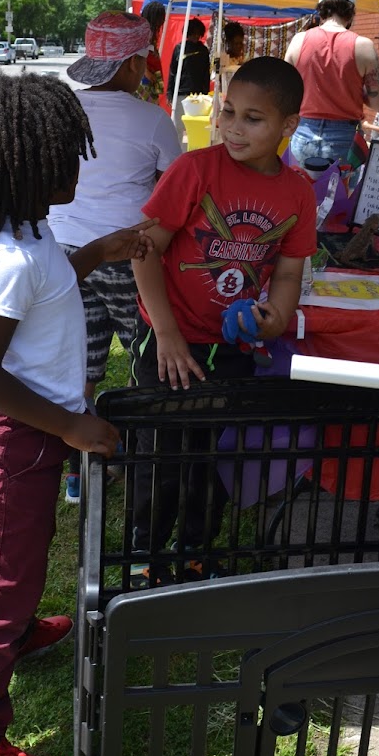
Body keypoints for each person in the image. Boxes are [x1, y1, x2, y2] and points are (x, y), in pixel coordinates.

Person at [0, 72, 154, 756]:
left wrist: (99, 252)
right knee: (1, 579)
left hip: (30, 432)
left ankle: (24, 630)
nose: (77, 166)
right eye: (63, 155)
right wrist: (71, 425)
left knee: (22, 562)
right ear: (21, 164)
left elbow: (51, 280)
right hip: (15, 436)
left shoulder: (33, 236)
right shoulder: (11, 259)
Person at [130, 55, 317, 585]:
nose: (233, 127)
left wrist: (275, 319)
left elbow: (286, 272)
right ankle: (143, 555)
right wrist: (164, 334)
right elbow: (144, 251)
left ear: (288, 126)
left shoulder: (298, 192)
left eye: (252, 118)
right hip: (170, 341)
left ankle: (193, 547)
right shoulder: (194, 170)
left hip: (230, 348)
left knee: (212, 453)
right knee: (160, 453)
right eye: (229, 111)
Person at [49, 10, 182, 504]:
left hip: (67, 253)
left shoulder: (65, 110)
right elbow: (174, 191)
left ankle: (78, 470)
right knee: (140, 353)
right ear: (131, 65)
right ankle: (129, 453)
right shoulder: (152, 120)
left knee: (80, 363)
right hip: (130, 254)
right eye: (144, 60)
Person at [284, 0, 379, 170]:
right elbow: (378, 104)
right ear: (351, 13)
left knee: (299, 196)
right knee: (340, 197)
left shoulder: (299, 40)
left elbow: (283, 90)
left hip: (303, 130)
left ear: (321, 10)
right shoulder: (363, 46)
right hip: (345, 136)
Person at [166, 17, 211, 140]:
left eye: (198, 34)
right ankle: (177, 155)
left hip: (198, 96)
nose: (196, 36)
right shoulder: (179, 48)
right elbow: (172, 72)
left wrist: (205, 95)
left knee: (196, 128)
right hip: (180, 93)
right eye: (193, 33)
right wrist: (169, 93)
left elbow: (205, 74)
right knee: (177, 128)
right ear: (187, 33)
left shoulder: (203, 50)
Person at [137, 0, 166, 104]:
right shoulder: (144, 32)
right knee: (149, 106)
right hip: (144, 77)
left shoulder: (149, 32)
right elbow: (138, 52)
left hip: (150, 75)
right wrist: (146, 72)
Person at [218, 20, 246, 99]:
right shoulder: (223, 57)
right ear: (228, 42)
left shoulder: (244, 58)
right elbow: (220, 79)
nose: (239, 46)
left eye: (241, 43)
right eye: (236, 43)